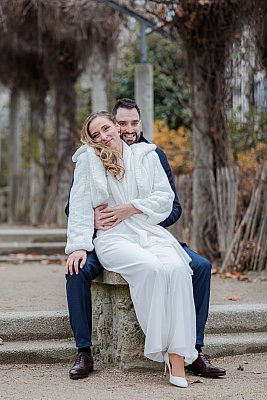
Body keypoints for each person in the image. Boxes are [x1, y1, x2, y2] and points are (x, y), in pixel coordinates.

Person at [65, 98, 226, 380]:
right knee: (77, 269)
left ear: (138, 123)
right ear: (115, 123)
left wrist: (135, 212)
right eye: (121, 123)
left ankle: (193, 350)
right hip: (104, 234)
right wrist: (84, 234)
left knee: (193, 266)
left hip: (149, 230)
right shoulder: (89, 159)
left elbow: (171, 206)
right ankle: (84, 352)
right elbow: (75, 204)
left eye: (133, 123)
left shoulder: (151, 155)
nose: (126, 129)